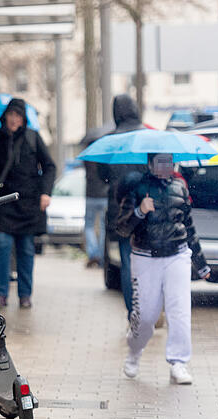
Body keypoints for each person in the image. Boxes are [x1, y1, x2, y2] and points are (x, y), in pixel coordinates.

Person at [116, 153, 210, 384]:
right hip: (145, 257)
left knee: (179, 310)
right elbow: (121, 228)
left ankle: (179, 362)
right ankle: (134, 351)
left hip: (177, 255)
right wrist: (139, 211)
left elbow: (188, 226)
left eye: (169, 161)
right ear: (150, 164)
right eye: (160, 161)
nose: (165, 166)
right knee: (146, 316)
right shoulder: (137, 187)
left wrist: (201, 264)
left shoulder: (180, 187)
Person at [0, 98, 56, 309]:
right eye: (11, 115)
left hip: (29, 203)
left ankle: (25, 294)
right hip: (3, 203)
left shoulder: (32, 137)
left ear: (23, 119)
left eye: (18, 116)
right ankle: (0, 293)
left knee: (26, 249)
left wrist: (46, 193)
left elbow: (49, 166)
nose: (14, 119)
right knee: (1, 244)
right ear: (5, 116)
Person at [97, 94, 148, 319]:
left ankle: (133, 312)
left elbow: (102, 175)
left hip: (121, 211)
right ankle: (150, 309)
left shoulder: (110, 141)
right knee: (150, 261)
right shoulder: (148, 137)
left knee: (128, 262)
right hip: (148, 208)